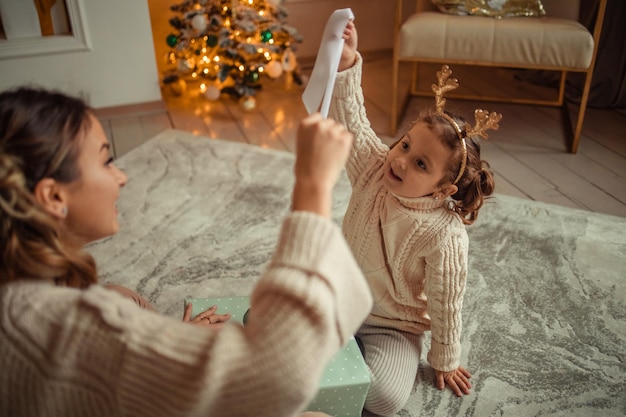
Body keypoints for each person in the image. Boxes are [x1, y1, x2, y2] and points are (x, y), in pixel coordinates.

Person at [0, 86, 372, 417]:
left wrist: (168, 341)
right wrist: (313, 187)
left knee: (120, 294)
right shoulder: (75, 326)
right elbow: (277, 377)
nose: (122, 176)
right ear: (53, 196)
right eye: (106, 160)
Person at [329, 22, 500, 416]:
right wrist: (348, 62)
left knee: (383, 399)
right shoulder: (374, 168)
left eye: (420, 163)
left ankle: (345, 352)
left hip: (392, 325)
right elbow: (351, 120)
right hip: (336, 299)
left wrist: (445, 357)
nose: (400, 159)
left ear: (443, 190)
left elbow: (446, 301)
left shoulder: (446, 236)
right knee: (270, 331)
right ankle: (331, 346)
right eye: (405, 144)